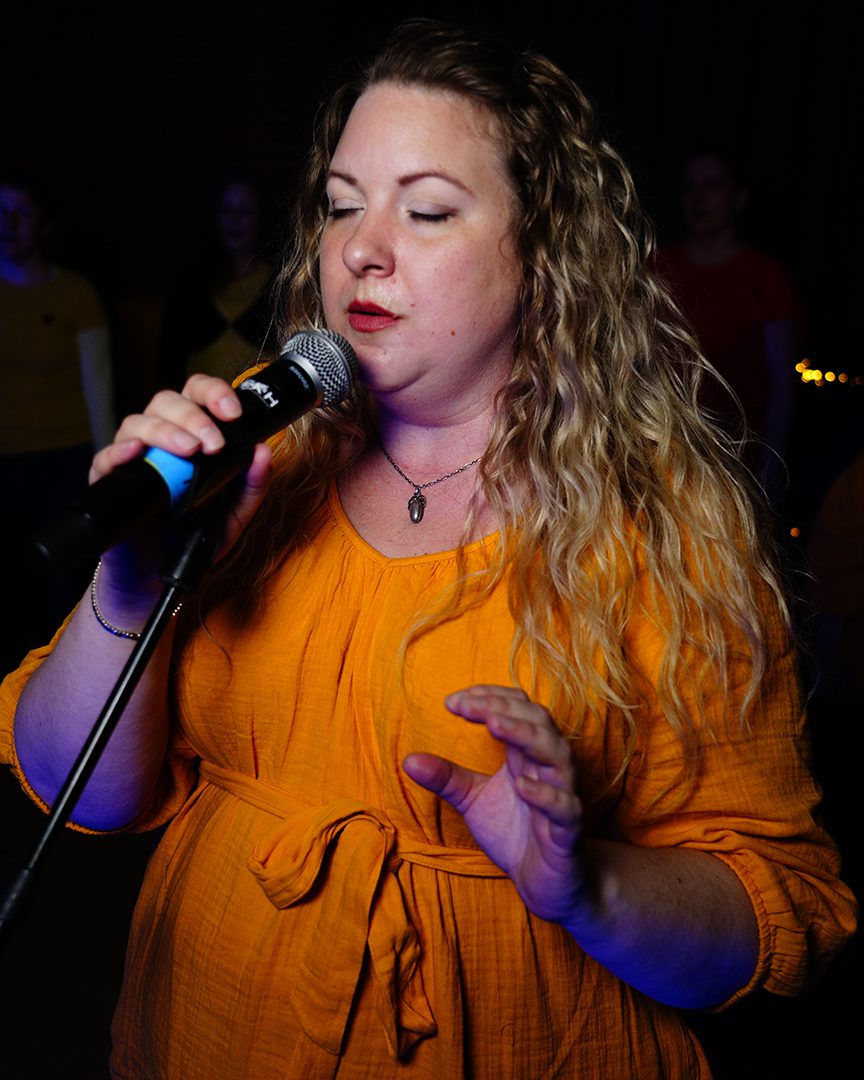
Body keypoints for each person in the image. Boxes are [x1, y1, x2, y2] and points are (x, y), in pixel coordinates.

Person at [0, 21, 855, 1079]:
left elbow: (772, 908)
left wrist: (590, 886)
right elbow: (79, 791)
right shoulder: (255, 457)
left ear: (545, 253)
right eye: (341, 203)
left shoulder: (670, 527)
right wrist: (128, 586)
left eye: (428, 209)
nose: (360, 248)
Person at [0, 173, 115, 675]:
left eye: (22, 213)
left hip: (63, 458)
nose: (9, 224)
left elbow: (98, 387)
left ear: (42, 224)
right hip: (3, 463)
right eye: (1, 213)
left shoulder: (74, 293)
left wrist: (107, 471)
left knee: (58, 587)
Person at [656, 151, 801, 492]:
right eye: (690, 187)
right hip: (665, 448)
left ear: (739, 197)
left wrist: (772, 469)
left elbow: (783, 383)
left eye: (712, 185)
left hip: (737, 458)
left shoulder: (766, 278)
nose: (699, 197)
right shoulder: (656, 268)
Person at [155, 175, 278, 391]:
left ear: (260, 217)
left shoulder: (278, 283)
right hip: (197, 401)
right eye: (227, 210)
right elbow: (168, 358)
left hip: (257, 404)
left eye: (244, 211)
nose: (234, 220)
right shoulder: (192, 281)